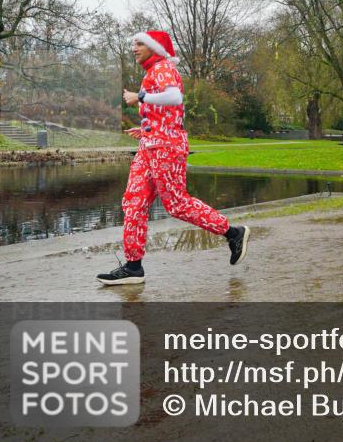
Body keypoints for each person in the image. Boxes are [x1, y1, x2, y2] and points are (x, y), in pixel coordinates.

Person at [97, 30, 249, 285]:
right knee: (133, 202)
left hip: (167, 148)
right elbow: (165, 112)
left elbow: (175, 97)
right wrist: (144, 128)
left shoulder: (163, 67)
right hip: (149, 146)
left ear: (154, 47)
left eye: (139, 43)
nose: (134, 48)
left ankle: (233, 233)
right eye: (133, 43)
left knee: (176, 204)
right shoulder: (151, 72)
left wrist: (140, 96)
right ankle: (133, 267)